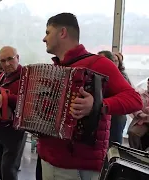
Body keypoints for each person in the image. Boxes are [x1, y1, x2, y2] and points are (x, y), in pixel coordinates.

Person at [37, 13, 142, 180]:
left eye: (48, 32)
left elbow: (135, 100)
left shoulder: (98, 63)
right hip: (49, 159)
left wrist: (98, 105)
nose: (44, 38)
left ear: (62, 32)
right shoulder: (55, 69)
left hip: (77, 167)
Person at [0, 46, 26, 180]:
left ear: (17, 58)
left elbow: (28, 101)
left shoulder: (26, 76)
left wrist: (6, 98)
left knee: (8, 168)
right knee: (0, 166)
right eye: (3, 61)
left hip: (15, 129)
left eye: (10, 59)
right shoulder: (3, 76)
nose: (7, 64)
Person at [98, 50, 131, 144]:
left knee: (114, 144)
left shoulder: (120, 77)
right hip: (104, 114)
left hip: (116, 115)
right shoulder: (97, 75)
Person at [128, 78, 149, 151]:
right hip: (142, 121)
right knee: (133, 133)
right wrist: (140, 114)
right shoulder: (141, 94)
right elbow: (134, 106)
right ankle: (136, 151)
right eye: (148, 83)